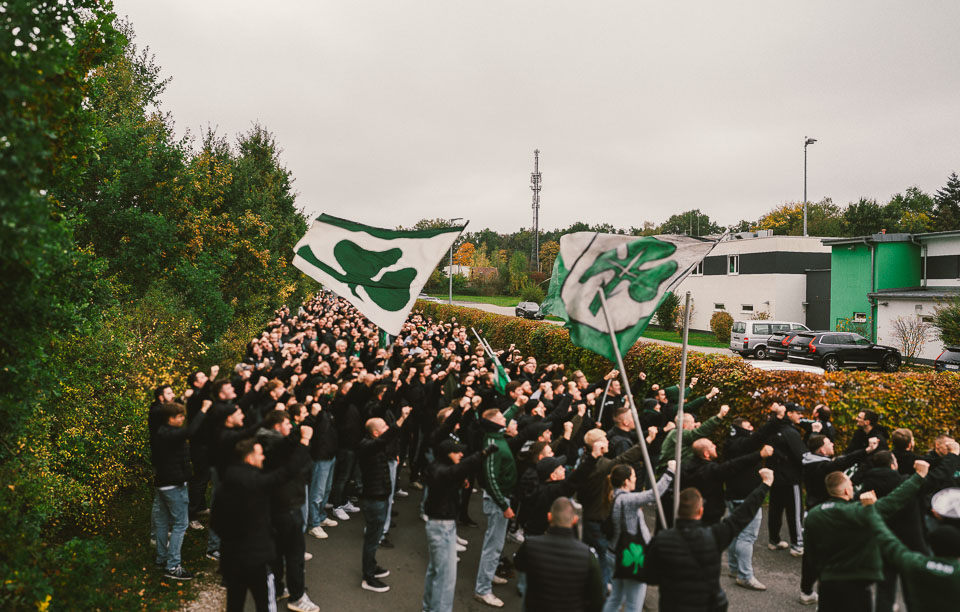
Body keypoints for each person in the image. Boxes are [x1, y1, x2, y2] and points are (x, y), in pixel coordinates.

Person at [803, 460, 929, 611]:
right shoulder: (859, 512)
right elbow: (894, 500)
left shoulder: (813, 515)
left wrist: (816, 576)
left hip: (827, 582)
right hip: (857, 583)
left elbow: (810, 553)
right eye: (850, 486)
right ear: (846, 491)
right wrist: (918, 476)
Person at [645, 468, 775, 611]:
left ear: (678, 510)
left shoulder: (662, 540)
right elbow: (742, 515)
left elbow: (650, 576)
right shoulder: (714, 536)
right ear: (700, 511)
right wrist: (765, 484)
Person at [213, 431, 312, 612]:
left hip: (231, 558)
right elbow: (286, 472)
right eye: (260, 453)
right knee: (265, 603)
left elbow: (215, 523)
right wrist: (304, 441)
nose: (263, 456)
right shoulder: (257, 482)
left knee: (234, 603)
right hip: (256, 558)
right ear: (250, 457)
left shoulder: (224, 484)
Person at [422, 439, 496, 612]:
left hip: (439, 525)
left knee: (435, 571)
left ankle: (428, 608)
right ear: (447, 453)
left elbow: (454, 473)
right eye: (457, 452)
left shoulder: (436, 468)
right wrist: (483, 454)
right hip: (442, 527)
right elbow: (460, 469)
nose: (461, 454)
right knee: (446, 577)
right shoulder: (444, 471)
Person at [602, 462, 675, 612]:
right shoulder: (628, 500)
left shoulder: (614, 496)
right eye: (634, 476)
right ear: (626, 481)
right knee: (634, 604)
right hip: (630, 556)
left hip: (614, 552)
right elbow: (653, 494)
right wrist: (670, 472)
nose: (636, 479)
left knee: (616, 597)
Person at [356, 404, 411, 593]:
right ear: (376, 433)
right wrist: (402, 419)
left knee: (375, 536)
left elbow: (387, 439)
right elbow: (388, 437)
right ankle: (368, 577)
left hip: (379, 496)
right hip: (374, 500)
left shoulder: (373, 443)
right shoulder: (367, 446)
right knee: (372, 539)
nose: (387, 429)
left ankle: (371, 567)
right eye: (384, 428)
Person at [514, 496, 604, 612]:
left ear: (549, 517)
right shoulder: (587, 555)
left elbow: (518, 565)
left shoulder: (531, 545)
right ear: (575, 520)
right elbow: (597, 601)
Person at [152, 400, 209, 580]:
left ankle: (161, 558)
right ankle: (173, 566)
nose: (183, 419)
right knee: (180, 524)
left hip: (161, 484)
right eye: (180, 416)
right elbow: (191, 432)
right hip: (173, 486)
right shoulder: (171, 434)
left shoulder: (160, 432)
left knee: (162, 522)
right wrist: (203, 409)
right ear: (170, 419)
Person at [474, 408, 519, 608]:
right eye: (502, 418)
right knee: (493, 546)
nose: (507, 419)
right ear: (496, 424)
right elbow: (491, 479)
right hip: (497, 501)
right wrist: (503, 505)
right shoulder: (493, 444)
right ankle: (482, 589)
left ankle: (489, 574)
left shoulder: (497, 435)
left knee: (496, 543)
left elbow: (504, 417)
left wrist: (517, 404)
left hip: (502, 499)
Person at [766, 402, 807, 557]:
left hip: (775, 477)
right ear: (789, 413)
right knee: (795, 512)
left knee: (775, 509)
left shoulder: (773, 428)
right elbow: (802, 456)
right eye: (798, 413)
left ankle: (773, 540)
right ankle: (797, 545)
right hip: (790, 479)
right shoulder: (791, 432)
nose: (801, 416)